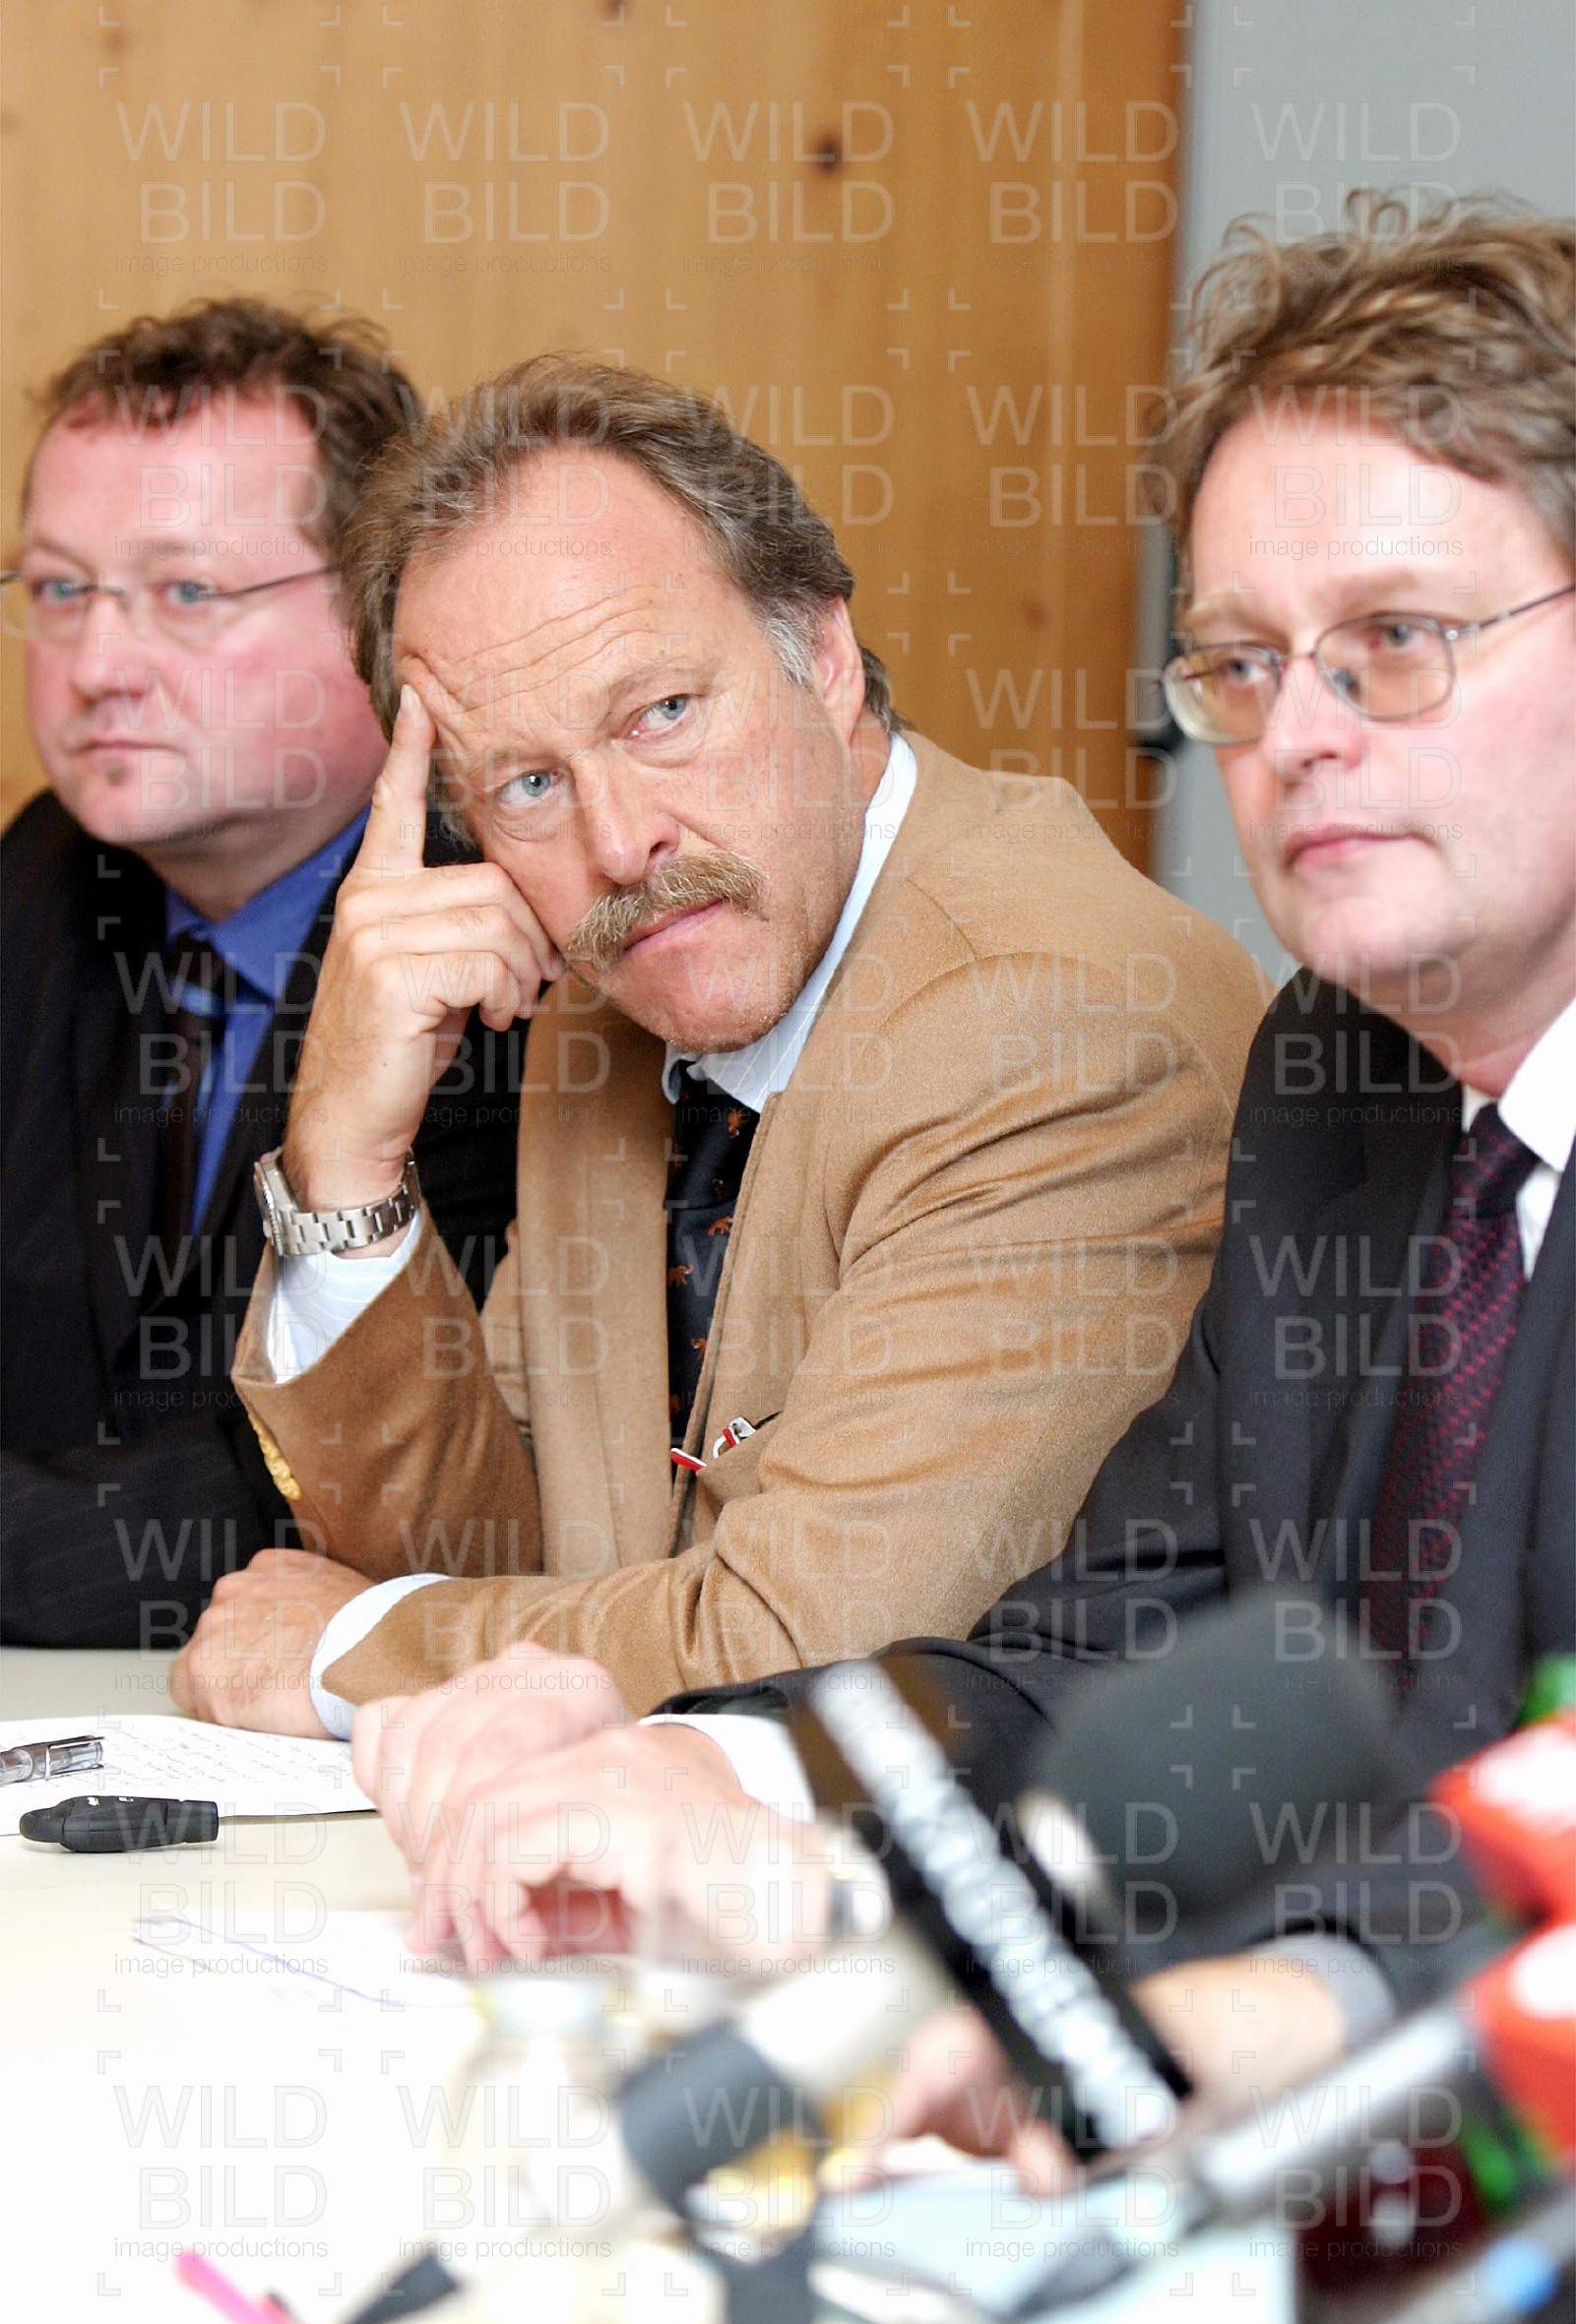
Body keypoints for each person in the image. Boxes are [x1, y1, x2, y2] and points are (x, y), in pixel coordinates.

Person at [348, 196, 1576, 2144]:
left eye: (1396, 646)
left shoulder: (1097, 1022)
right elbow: (1102, 1641)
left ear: (827, 659)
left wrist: (1243, 2019)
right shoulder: (1338, 1082)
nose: (1299, 736)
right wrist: (728, 1779)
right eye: (1240, 662)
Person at [168, 353, 1266, 1733]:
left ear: (824, 656)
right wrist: (344, 1153)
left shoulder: (1052, 1024)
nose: (620, 841)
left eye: (663, 715)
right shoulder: (622, 993)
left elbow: (814, 1650)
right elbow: (496, 1565)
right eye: (528, 782)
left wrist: (349, 1651)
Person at [1, 300, 526, 1649]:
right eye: (57, 589)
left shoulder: (506, 927)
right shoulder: (45, 874)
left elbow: (327, 1489)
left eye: (186, 593)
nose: (97, 668)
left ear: (378, 607)